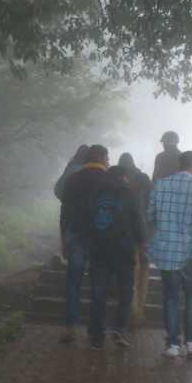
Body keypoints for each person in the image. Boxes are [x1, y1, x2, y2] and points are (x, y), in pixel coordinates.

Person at [147, 150, 192, 358]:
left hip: (167, 251)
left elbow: (150, 215)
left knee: (170, 297)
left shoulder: (161, 185)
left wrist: (156, 239)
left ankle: (172, 345)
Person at [86, 163, 146, 349]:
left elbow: (87, 219)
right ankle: (119, 329)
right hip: (123, 251)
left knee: (98, 294)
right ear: (124, 177)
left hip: (99, 251)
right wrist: (142, 243)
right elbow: (138, 221)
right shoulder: (131, 194)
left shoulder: (95, 193)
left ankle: (96, 336)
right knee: (126, 292)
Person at [58, 144, 110, 344]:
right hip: (101, 238)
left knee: (74, 283)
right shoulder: (108, 180)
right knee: (99, 285)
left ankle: (70, 326)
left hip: (76, 234)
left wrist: (64, 238)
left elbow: (64, 212)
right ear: (102, 157)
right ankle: (95, 331)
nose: (109, 161)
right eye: (108, 157)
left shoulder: (72, 179)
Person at [117, 152, 153, 328]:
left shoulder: (116, 179)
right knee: (143, 275)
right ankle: (139, 311)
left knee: (129, 275)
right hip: (143, 234)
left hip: (124, 235)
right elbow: (152, 206)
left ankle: (131, 312)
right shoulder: (143, 179)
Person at [54, 144, 89, 259]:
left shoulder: (70, 168)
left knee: (70, 241)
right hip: (85, 213)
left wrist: (66, 199)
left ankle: (70, 264)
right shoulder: (88, 171)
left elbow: (57, 189)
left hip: (67, 211)